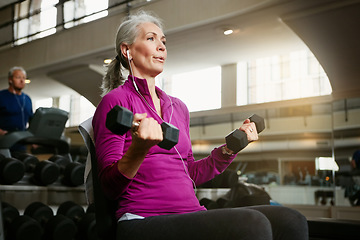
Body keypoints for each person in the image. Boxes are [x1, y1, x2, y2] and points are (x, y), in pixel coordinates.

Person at [92, 11, 308, 240]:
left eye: (163, 41)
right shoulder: (115, 102)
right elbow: (108, 187)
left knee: (291, 220)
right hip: (142, 219)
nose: (162, 47)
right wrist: (139, 149)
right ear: (127, 51)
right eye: (151, 38)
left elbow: (190, 173)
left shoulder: (179, 108)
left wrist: (229, 150)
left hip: (189, 213)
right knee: (252, 225)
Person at [0, 66, 33, 152]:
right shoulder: (1, 96)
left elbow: (32, 121)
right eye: (18, 77)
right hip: (3, 143)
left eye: (24, 78)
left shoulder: (27, 99)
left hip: (21, 144)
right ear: (10, 80)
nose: (22, 81)